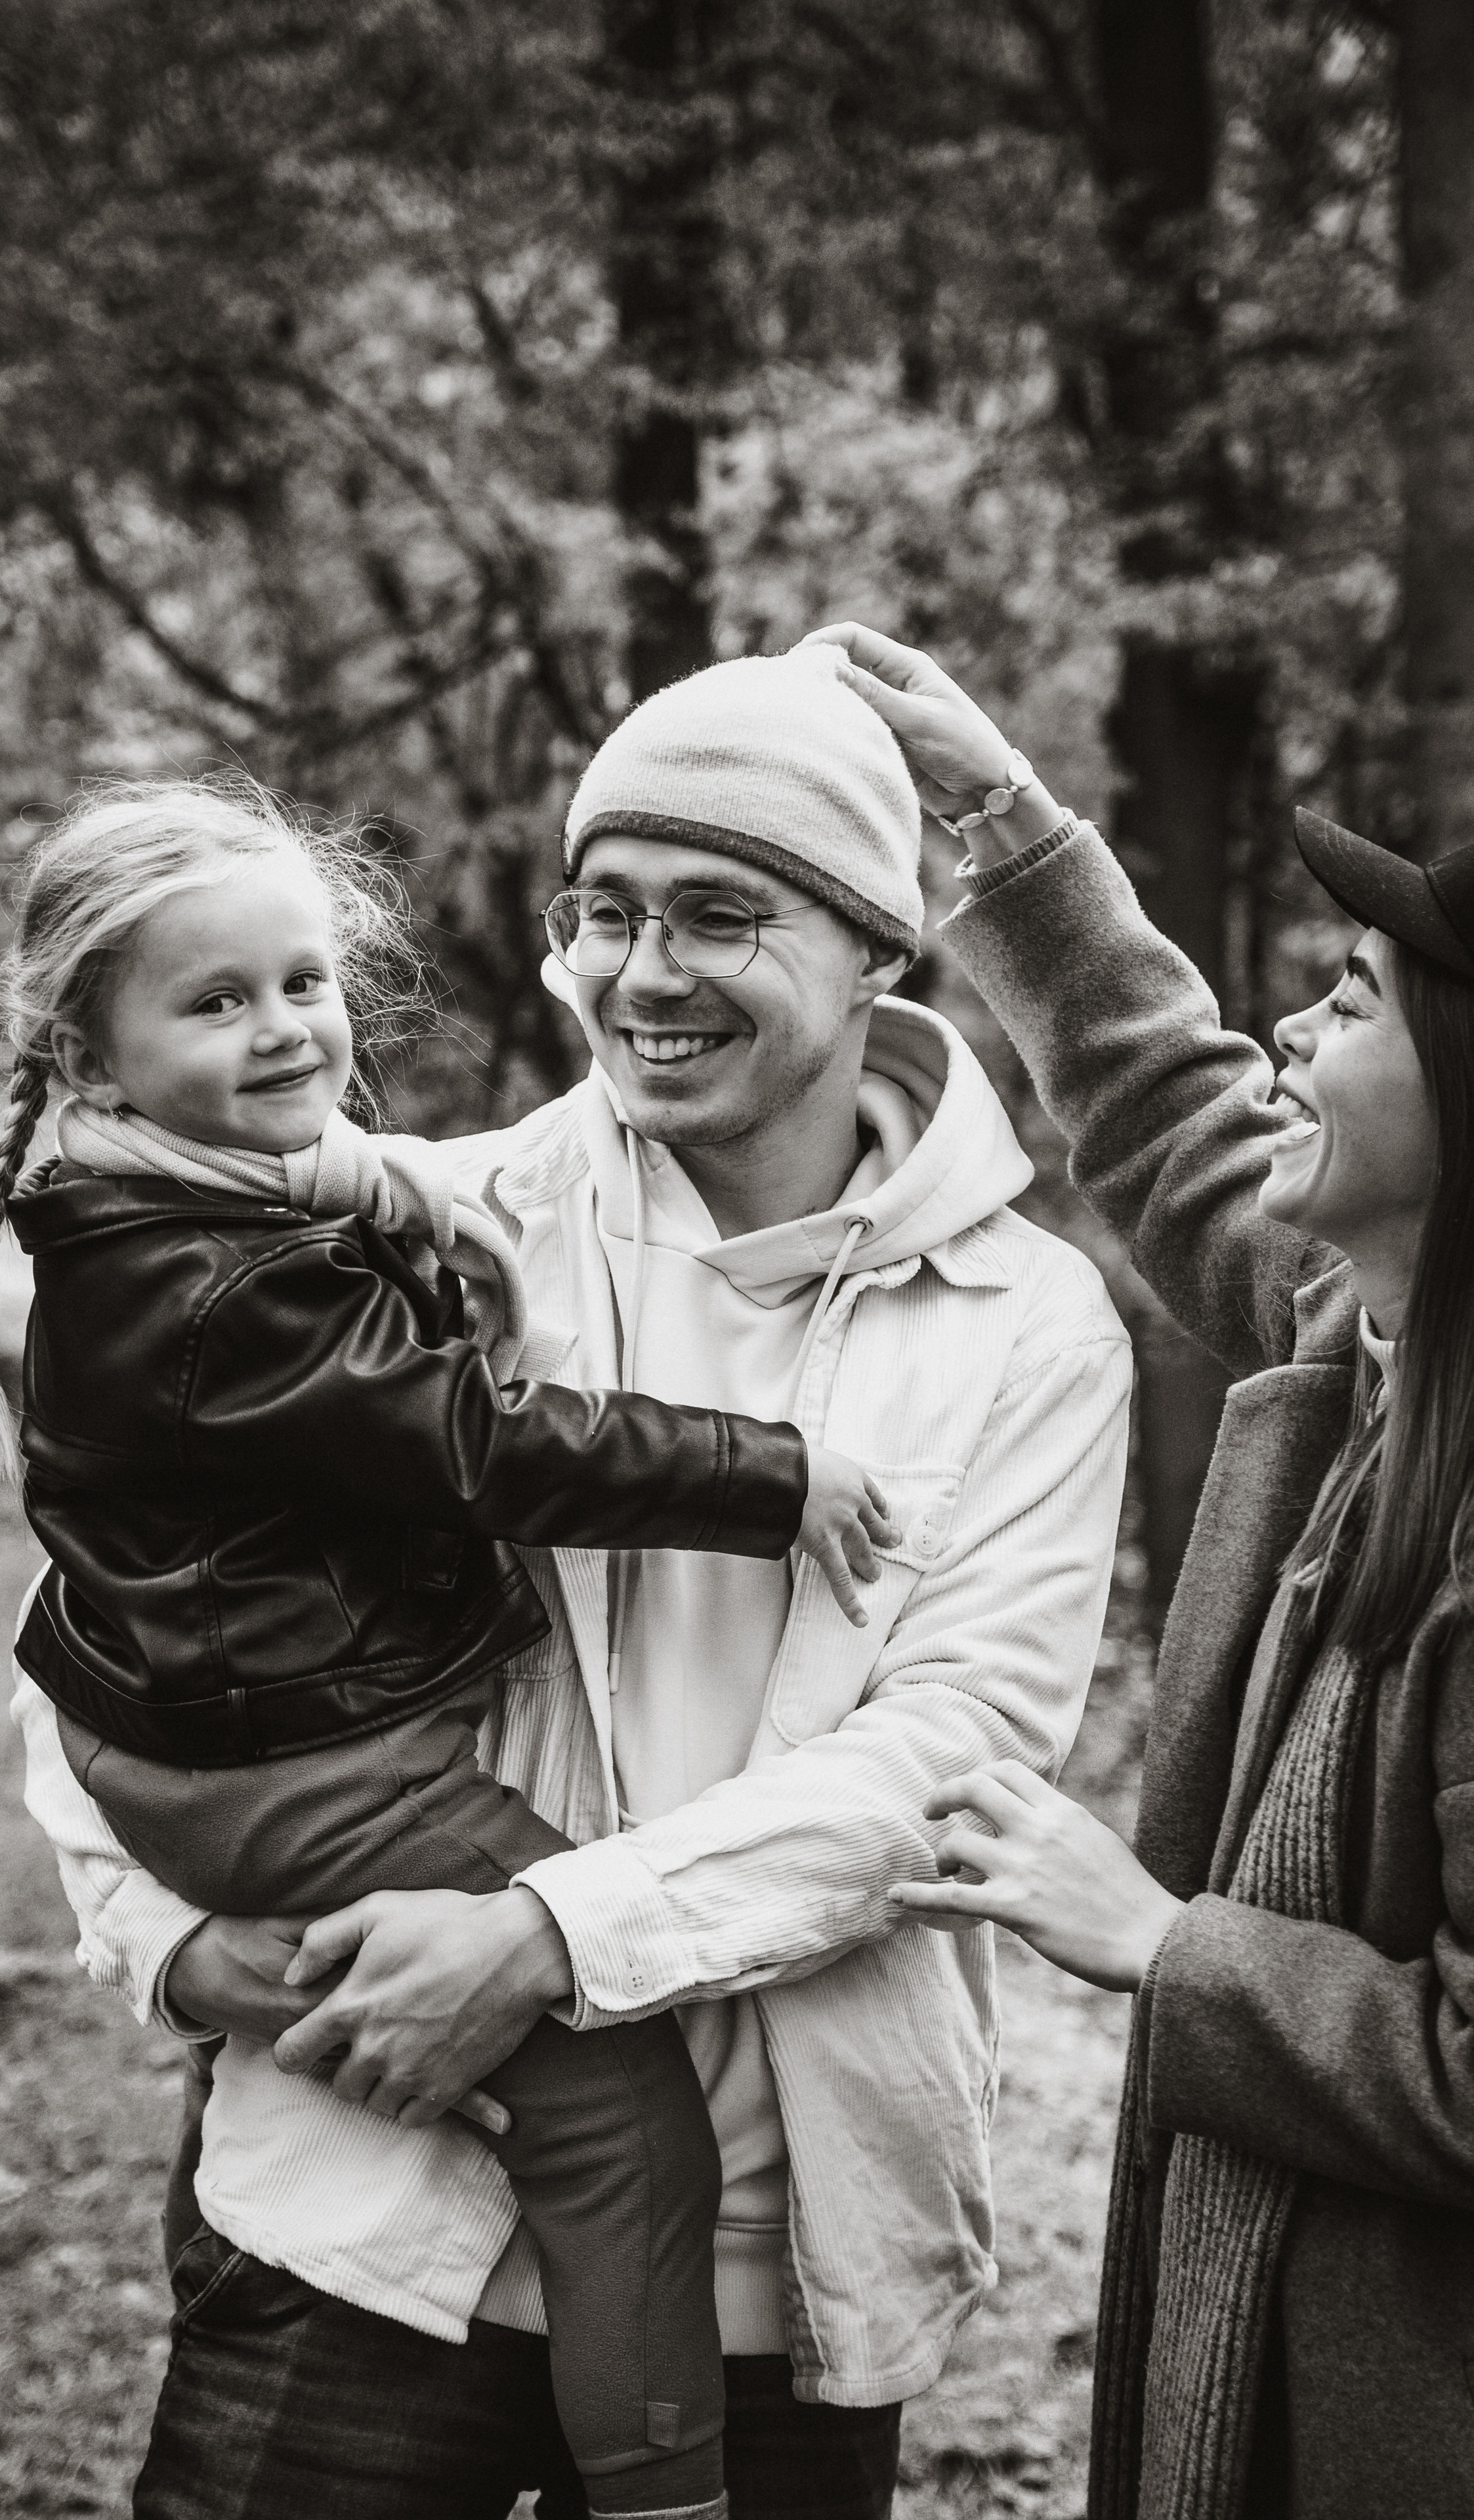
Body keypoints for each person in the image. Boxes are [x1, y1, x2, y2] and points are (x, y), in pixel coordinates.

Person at [16, 645, 1133, 2520]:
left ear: (877, 947)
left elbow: (954, 1755)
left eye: (718, 915)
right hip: (367, 2209)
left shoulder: (1028, 1327)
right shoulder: (423, 1223)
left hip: (770, 2256)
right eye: (604, 910)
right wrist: (166, 1942)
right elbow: (116, 1595)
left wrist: (543, 1941)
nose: (642, 971)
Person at [810, 623, 1474, 2520]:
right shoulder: (1382, 1342)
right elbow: (1173, 1111)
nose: (1294, 1037)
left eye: (1351, 1003)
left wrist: (1165, 1942)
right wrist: (1002, 824)